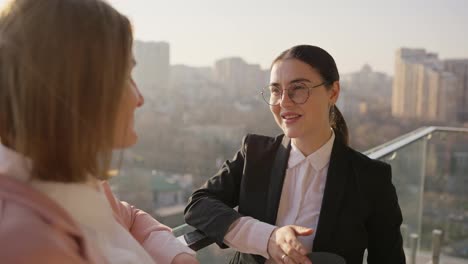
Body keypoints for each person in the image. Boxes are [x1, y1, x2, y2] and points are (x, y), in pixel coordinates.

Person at [0, 0, 198, 263]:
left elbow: (129, 218)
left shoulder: (69, 181)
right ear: (77, 91)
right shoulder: (28, 245)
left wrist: (176, 256)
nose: (139, 98)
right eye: (126, 76)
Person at [185, 45, 406, 264]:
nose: (283, 102)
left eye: (298, 88)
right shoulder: (254, 153)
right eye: (275, 90)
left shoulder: (371, 179)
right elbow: (198, 205)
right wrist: (267, 237)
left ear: (333, 92)